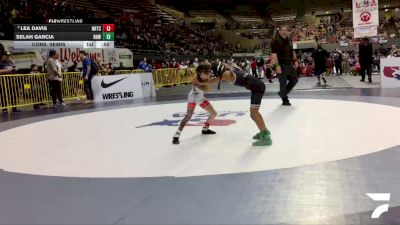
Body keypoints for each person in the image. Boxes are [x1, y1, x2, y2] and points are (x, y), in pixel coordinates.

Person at [203, 61, 271, 146]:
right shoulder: (233, 67)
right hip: (257, 86)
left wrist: (199, 81)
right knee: (255, 112)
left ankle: (266, 138)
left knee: (253, 114)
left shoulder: (225, 75)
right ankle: (264, 131)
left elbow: (211, 81)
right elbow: (226, 64)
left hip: (257, 88)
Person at [172, 62, 217, 145]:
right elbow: (207, 89)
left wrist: (203, 83)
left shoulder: (205, 76)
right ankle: (176, 134)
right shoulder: (195, 78)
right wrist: (204, 83)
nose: (208, 75)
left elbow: (207, 88)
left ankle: (205, 129)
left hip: (200, 97)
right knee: (188, 116)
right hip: (192, 97)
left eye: (209, 73)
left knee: (213, 114)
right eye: (207, 74)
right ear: (201, 73)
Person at [271, 24, 299, 106]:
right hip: (281, 65)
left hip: (290, 64)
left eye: (285, 30)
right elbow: (274, 55)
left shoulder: (289, 40)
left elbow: (292, 51)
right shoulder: (276, 42)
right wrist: (277, 65)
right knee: (283, 83)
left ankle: (282, 93)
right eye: (282, 30)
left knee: (294, 80)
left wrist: (296, 60)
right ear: (279, 32)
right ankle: (284, 99)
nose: (284, 32)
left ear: (287, 31)